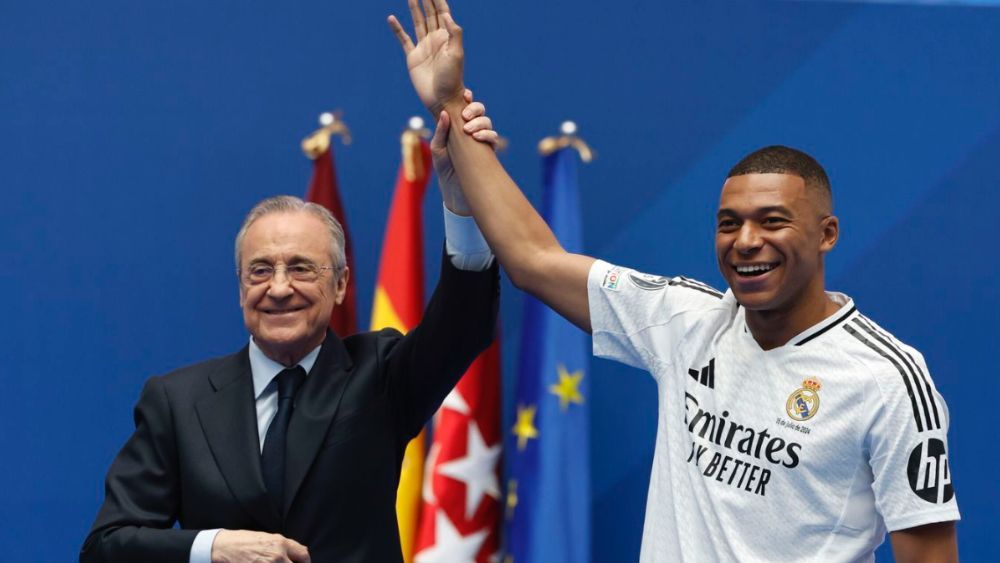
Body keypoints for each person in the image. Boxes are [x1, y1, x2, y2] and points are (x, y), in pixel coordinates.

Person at [387, 1, 960, 561]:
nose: (746, 241)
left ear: (826, 234)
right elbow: (534, 260)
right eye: (728, 224)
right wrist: (451, 108)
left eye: (773, 221)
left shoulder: (888, 380)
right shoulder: (686, 322)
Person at [81, 97, 503, 562]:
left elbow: (463, 323)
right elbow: (107, 546)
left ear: (341, 284)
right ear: (241, 287)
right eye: (260, 271)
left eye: (301, 268)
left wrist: (462, 204)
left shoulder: (382, 375)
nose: (278, 288)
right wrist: (213, 546)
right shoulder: (177, 402)